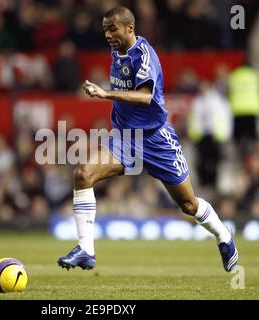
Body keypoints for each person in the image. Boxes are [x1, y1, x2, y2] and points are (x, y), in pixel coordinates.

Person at [57, 7, 238, 272]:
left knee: (189, 205)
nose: (107, 35)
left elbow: (145, 97)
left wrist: (105, 94)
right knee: (83, 174)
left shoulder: (143, 54)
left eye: (112, 29)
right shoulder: (117, 52)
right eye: (105, 29)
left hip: (156, 140)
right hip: (125, 137)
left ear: (129, 28)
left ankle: (223, 235)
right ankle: (86, 249)